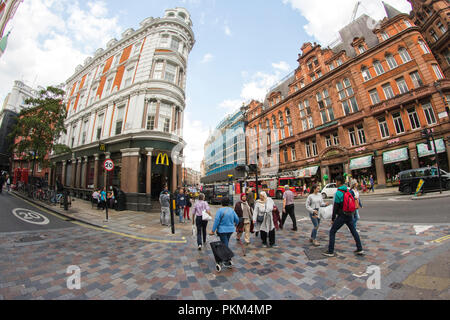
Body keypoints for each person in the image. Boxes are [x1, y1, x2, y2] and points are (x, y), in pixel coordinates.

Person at [323, 176, 364, 257]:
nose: (336, 183)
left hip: (342, 215)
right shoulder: (348, 190)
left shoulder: (338, 193)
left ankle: (330, 251)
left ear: (339, 182)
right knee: (353, 231)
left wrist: (333, 218)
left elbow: (335, 207)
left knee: (332, 231)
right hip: (349, 214)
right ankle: (360, 249)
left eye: (336, 181)